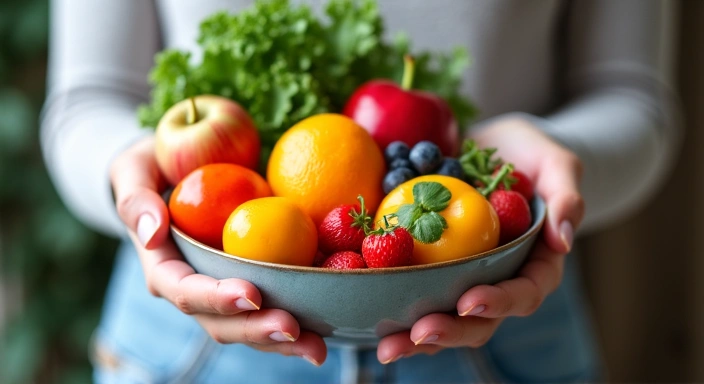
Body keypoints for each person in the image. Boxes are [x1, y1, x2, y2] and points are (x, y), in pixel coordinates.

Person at [41, 0, 681, 382]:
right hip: (196, 321)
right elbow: (85, 101)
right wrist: (129, 174)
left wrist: (558, 164)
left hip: (499, 300)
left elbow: (634, 95)